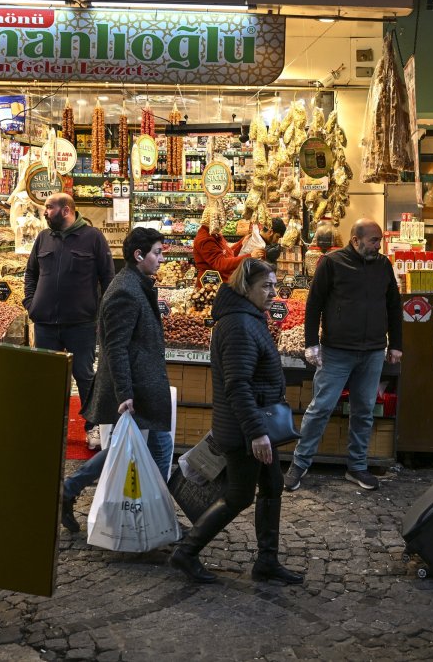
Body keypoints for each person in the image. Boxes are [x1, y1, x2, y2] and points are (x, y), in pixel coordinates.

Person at [169, 259, 303, 585]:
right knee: (239, 496)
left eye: (274, 285)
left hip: (255, 425)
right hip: (246, 430)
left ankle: (267, 561)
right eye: (266, 286)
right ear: (246, 288)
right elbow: (237, 385)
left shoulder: (249, 317)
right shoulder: (240, 325)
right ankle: (186, 552)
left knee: (272, 486)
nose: (273, 293)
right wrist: (256, 433)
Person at [59, 228, 174, 533]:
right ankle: (154, 516)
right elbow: (115, 347)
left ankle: (70, 489)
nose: (161, 259)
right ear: (139, 255)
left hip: (143, 382)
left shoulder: (136, 284)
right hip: (134, 386)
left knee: (129, 448)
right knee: (157, 448)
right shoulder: (125, 290)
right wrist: (124, 393)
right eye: (157, 253)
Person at [284, 219, 402, 492]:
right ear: (355, 240)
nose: (378, 245)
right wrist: (311, 343)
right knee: (320, 408)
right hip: (336, 351)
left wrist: (396, 344)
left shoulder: (383, 265)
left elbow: (394, 306)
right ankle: (299, 464)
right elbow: (314, 303)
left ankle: (357, 466)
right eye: (374, 240)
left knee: (364, 410)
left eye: (380, 240)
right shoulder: (331, 263)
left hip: (373, 351)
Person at [23, 192, 115, 449]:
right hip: (45, 324)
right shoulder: (43, 237)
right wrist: (31, 304)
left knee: (84, 376)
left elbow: (108, 278)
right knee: (48, 377)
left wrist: (101, 313)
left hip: (81, 323)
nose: (45, 212)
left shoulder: (93, 238)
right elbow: (31, 273)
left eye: (49, 207)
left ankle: (93, 426)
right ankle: (49, 426)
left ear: (66, 210)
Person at [193, 199, 264, 281]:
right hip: (212, 282)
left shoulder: (214, 234)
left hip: (223, 279)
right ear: (214, 220)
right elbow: (221, 263)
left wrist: (241, 243)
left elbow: (227, 253)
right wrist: (249, 256)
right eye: (222, 219)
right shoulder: (205, 239)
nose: (224, 223)